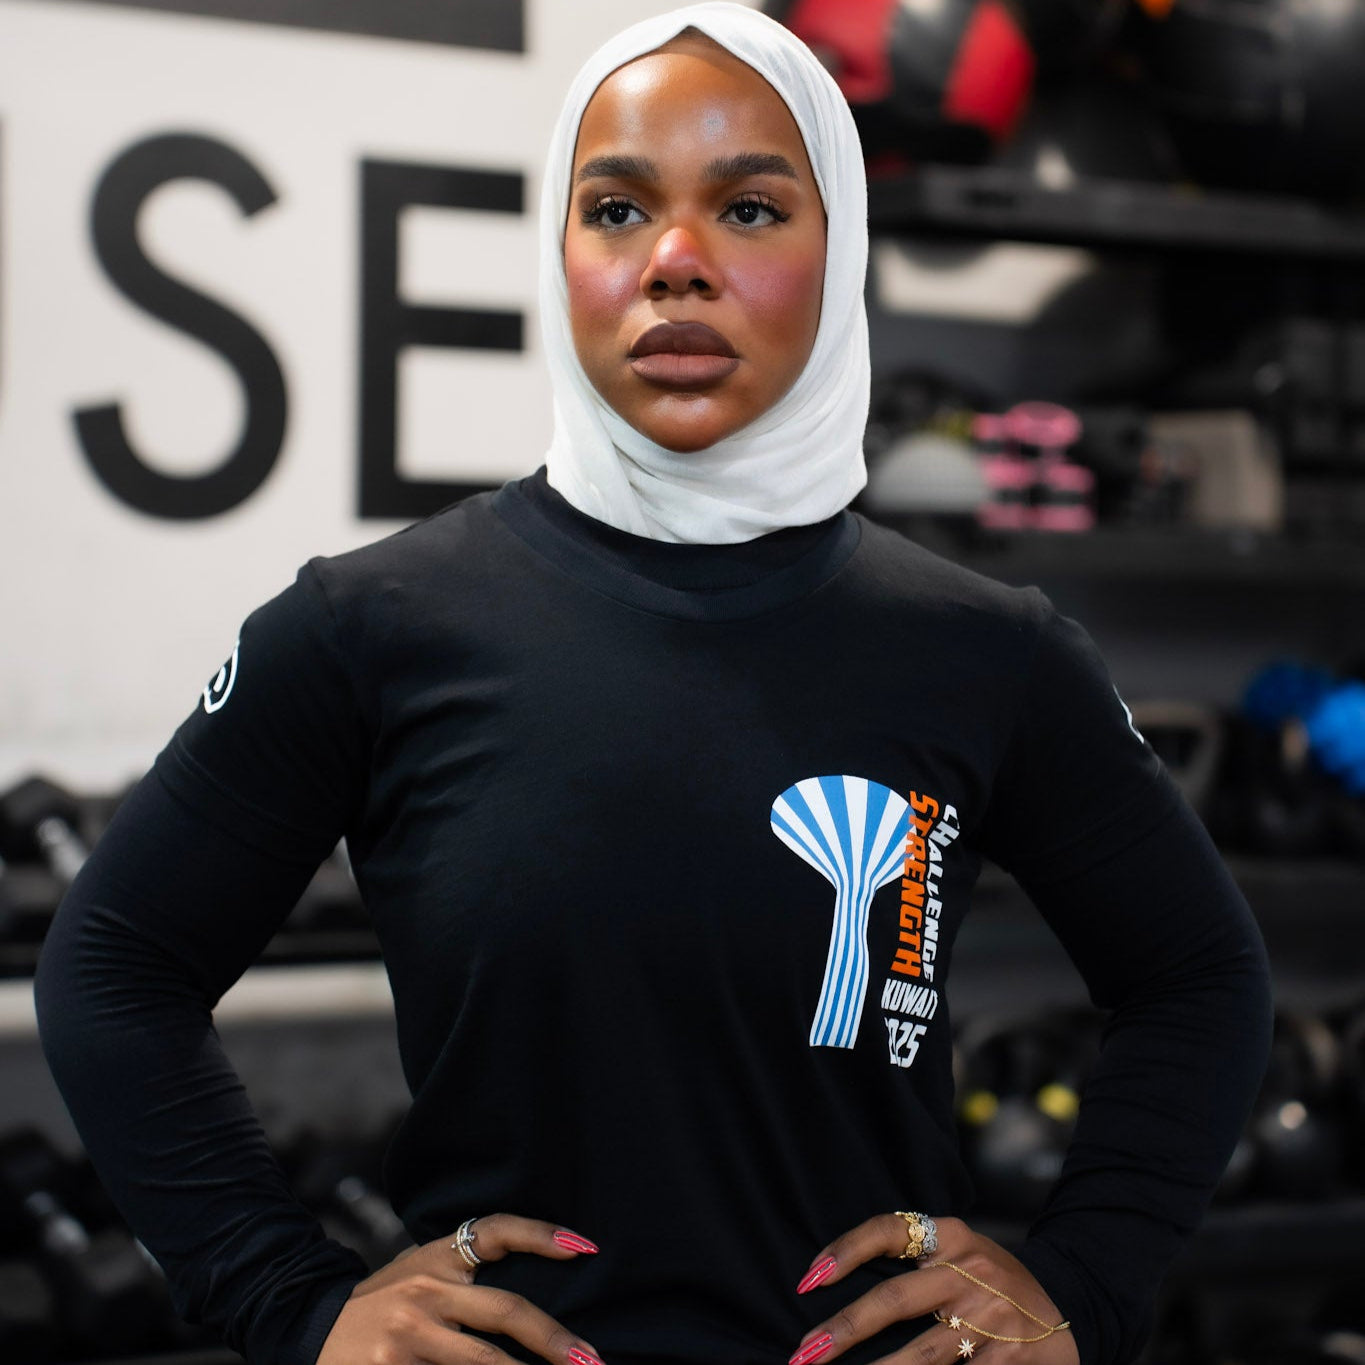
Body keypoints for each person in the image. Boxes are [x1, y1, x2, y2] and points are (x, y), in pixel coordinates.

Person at [34, 6, 1273, 1365]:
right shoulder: (370, 627)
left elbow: (1199, 976)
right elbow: (111, 968)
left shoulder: (988, 651)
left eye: (749, 208)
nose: (675, 262)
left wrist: (1078, 1289)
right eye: (617, 207)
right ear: (561, 252)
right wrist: (296, 1303)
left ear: (838, 245)